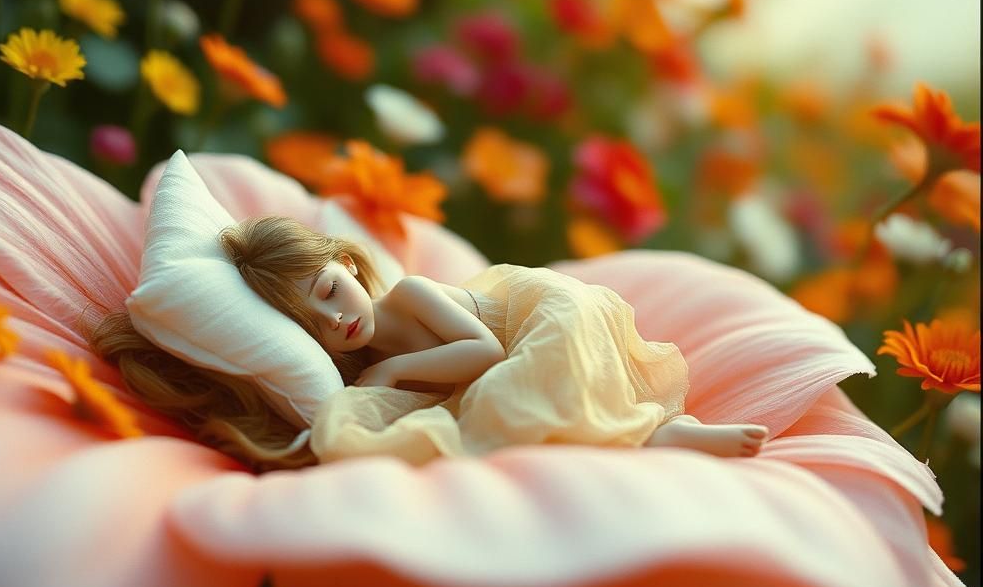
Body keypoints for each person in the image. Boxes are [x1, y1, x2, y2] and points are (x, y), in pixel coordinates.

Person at [92, 217, 768, 469]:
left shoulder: (407, 295)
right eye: (308, 325)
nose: (334, 323)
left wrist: (390, 377)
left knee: (522, 392)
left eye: (330, 292)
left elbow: (485, 355)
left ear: (350, 267)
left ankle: (661, 435)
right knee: (499, 419)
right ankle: (649, 439)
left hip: (536, 321)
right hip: (502, 363)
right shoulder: (351, 358)